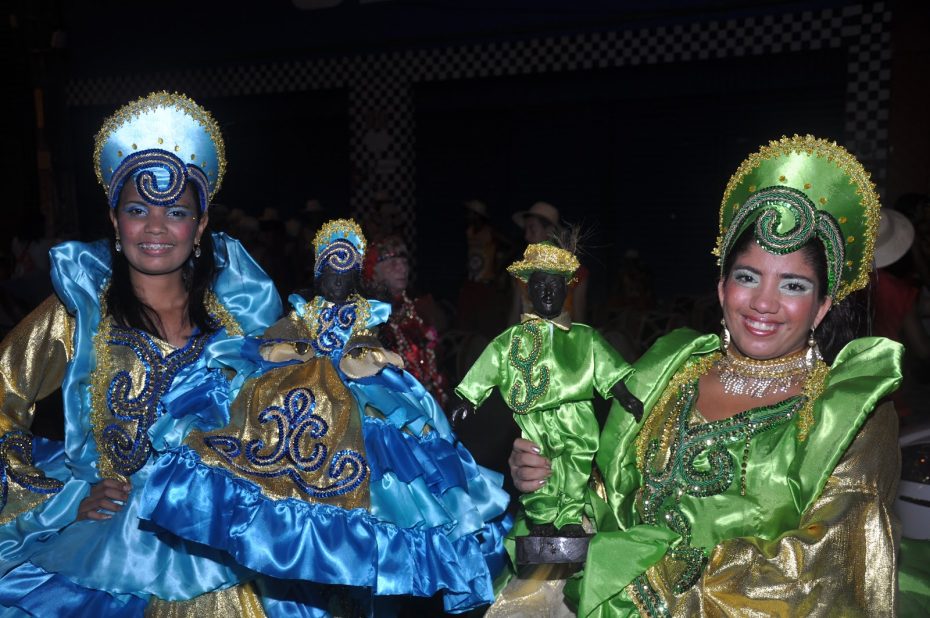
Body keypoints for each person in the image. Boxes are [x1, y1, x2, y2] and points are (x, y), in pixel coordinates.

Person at [504, 135, 904, 616]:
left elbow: (826, 572)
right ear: (721, 287)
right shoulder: (670, 370)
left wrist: (640, 579)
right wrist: (551, 482)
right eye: (748, 276)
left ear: (822, 307)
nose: (763, 303)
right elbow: (609, 495)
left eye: (793, 285)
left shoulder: (852, 413)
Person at [0, 92, 283, 614]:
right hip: (110, 560)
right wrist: (56, 501)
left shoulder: (241, 321)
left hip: (226, 552)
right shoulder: (77, 313)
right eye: (137, 210)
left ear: (199, 227)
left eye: (175, 212)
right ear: (114, 220)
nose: (155, 227)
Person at [139, 219, 512, 615]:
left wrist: (370, 356)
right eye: (331, 270)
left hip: (351, 399)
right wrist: (288, 348)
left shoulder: (363, 314)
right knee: (266, 442)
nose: (337, 279)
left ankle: (340, 556)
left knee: (383, 468)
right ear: (319, 274)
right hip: (298, 393)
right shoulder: (306, 311)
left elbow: (366, 345)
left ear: (355, 276)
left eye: (346, 270)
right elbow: (279, 336)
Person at [454, 242, 641, 541]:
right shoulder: (513, 339)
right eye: (539, 286)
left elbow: (607, 367)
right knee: (538, 468)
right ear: (528, 291)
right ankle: (541, 517)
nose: (547, 293)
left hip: (577, 415)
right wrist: (469, 397)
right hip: (534, 417)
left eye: (554, 286)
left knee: (576, 467)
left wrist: (624, 394)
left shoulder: (584, 337)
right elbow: (489, 365)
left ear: (566, 290)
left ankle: (570, 517)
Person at [364, 235, 450, 406]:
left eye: (404, 263)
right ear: (374, 270)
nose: (402, 269)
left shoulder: (417, 309)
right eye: (393, 263)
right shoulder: (368, 315)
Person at [508, 202, 589, 324]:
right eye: (526, 230)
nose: (526, 236)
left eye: (532, 229)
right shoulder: (521, 271)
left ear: (550, 231)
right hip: (529, 339)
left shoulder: (576, 273)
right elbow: (515, 315)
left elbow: (579, 320)